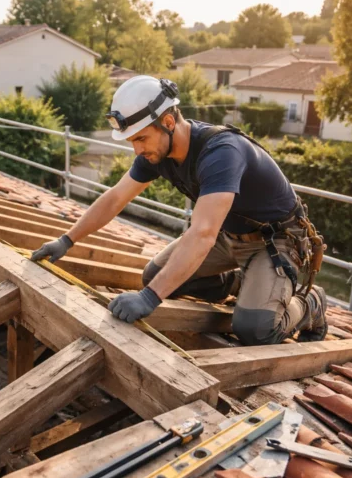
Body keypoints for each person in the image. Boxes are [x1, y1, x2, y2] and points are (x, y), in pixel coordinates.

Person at [31, 75, 328, 345]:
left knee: (255, 329)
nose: (137, 150)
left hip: (273, 242)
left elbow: (202, 233)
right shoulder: (157, 153)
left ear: (169, 122)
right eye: (132, 140)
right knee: (156, 276)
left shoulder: (221, 153)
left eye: (140, 138)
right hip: (229, 236)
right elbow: (115, 198)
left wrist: (149, 299)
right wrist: (66, 240)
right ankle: (247, 283)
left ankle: (310, 303)